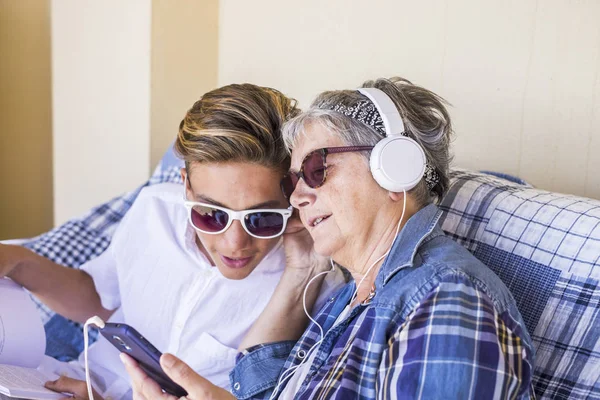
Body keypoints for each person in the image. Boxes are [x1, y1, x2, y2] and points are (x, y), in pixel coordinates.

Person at [123, 77, 535, 399]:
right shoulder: (348, 299)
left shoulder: (447, 298)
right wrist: (301, 270)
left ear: (394, 171)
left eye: (317, 169)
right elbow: (258, 387)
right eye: (294, 180)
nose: (299, 196)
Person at [0, 84, 345, 400]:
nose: (235, 242)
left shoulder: (314, 280)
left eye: (262, 218)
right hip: (71, 381)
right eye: (212, 214)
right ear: (186, 186)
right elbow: (99, 298)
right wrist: (19, 262)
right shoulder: (154, 210)